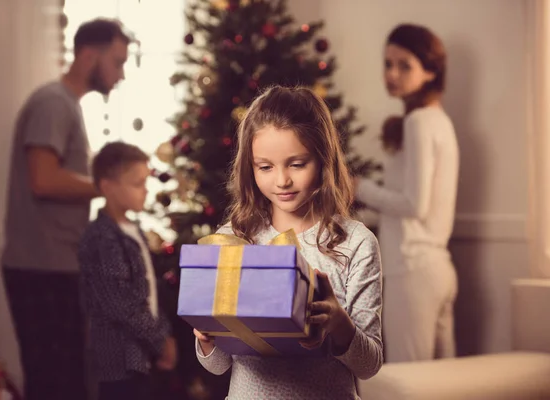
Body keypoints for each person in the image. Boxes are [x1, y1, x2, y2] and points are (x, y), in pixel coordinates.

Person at [193, 86, 383, 400]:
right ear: (250, 167)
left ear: (322, 160)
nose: (281, 180)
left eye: (296, 164)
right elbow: (218, 366)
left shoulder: (356, 243)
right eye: (265, 167)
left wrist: (339, 323)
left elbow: (369, 364)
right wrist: (207, 340)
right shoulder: (233, 239)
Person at [0, 18, 131, 400]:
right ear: (89, 56)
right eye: (118, 62)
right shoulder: (53, 103)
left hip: (54, 265)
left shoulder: (64, 105)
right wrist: (106, 188)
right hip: (41, 267)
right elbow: (42, 179)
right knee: (55, 383)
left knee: (66, 380)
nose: (120, 75)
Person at [355, 23, 459, 363]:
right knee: (444, 386)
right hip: (438, 269)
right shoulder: (438, 120)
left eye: (404, 65)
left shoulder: (419, 123)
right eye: (388, 63)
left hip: (413, 270)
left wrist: (358, 187)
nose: (392, 74)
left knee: (410, 382)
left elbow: (415, 204)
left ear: (430, 71)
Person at [78, 142, 177, 400]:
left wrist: (164, 333)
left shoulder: (134, 231)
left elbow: (149, 293)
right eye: (137, 184)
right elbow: (122, 304)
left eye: (146, 182)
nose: (145, 191)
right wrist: (159, 340)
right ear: (108, 187)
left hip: (142, 357)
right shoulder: (102, 237)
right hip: (117, 362)